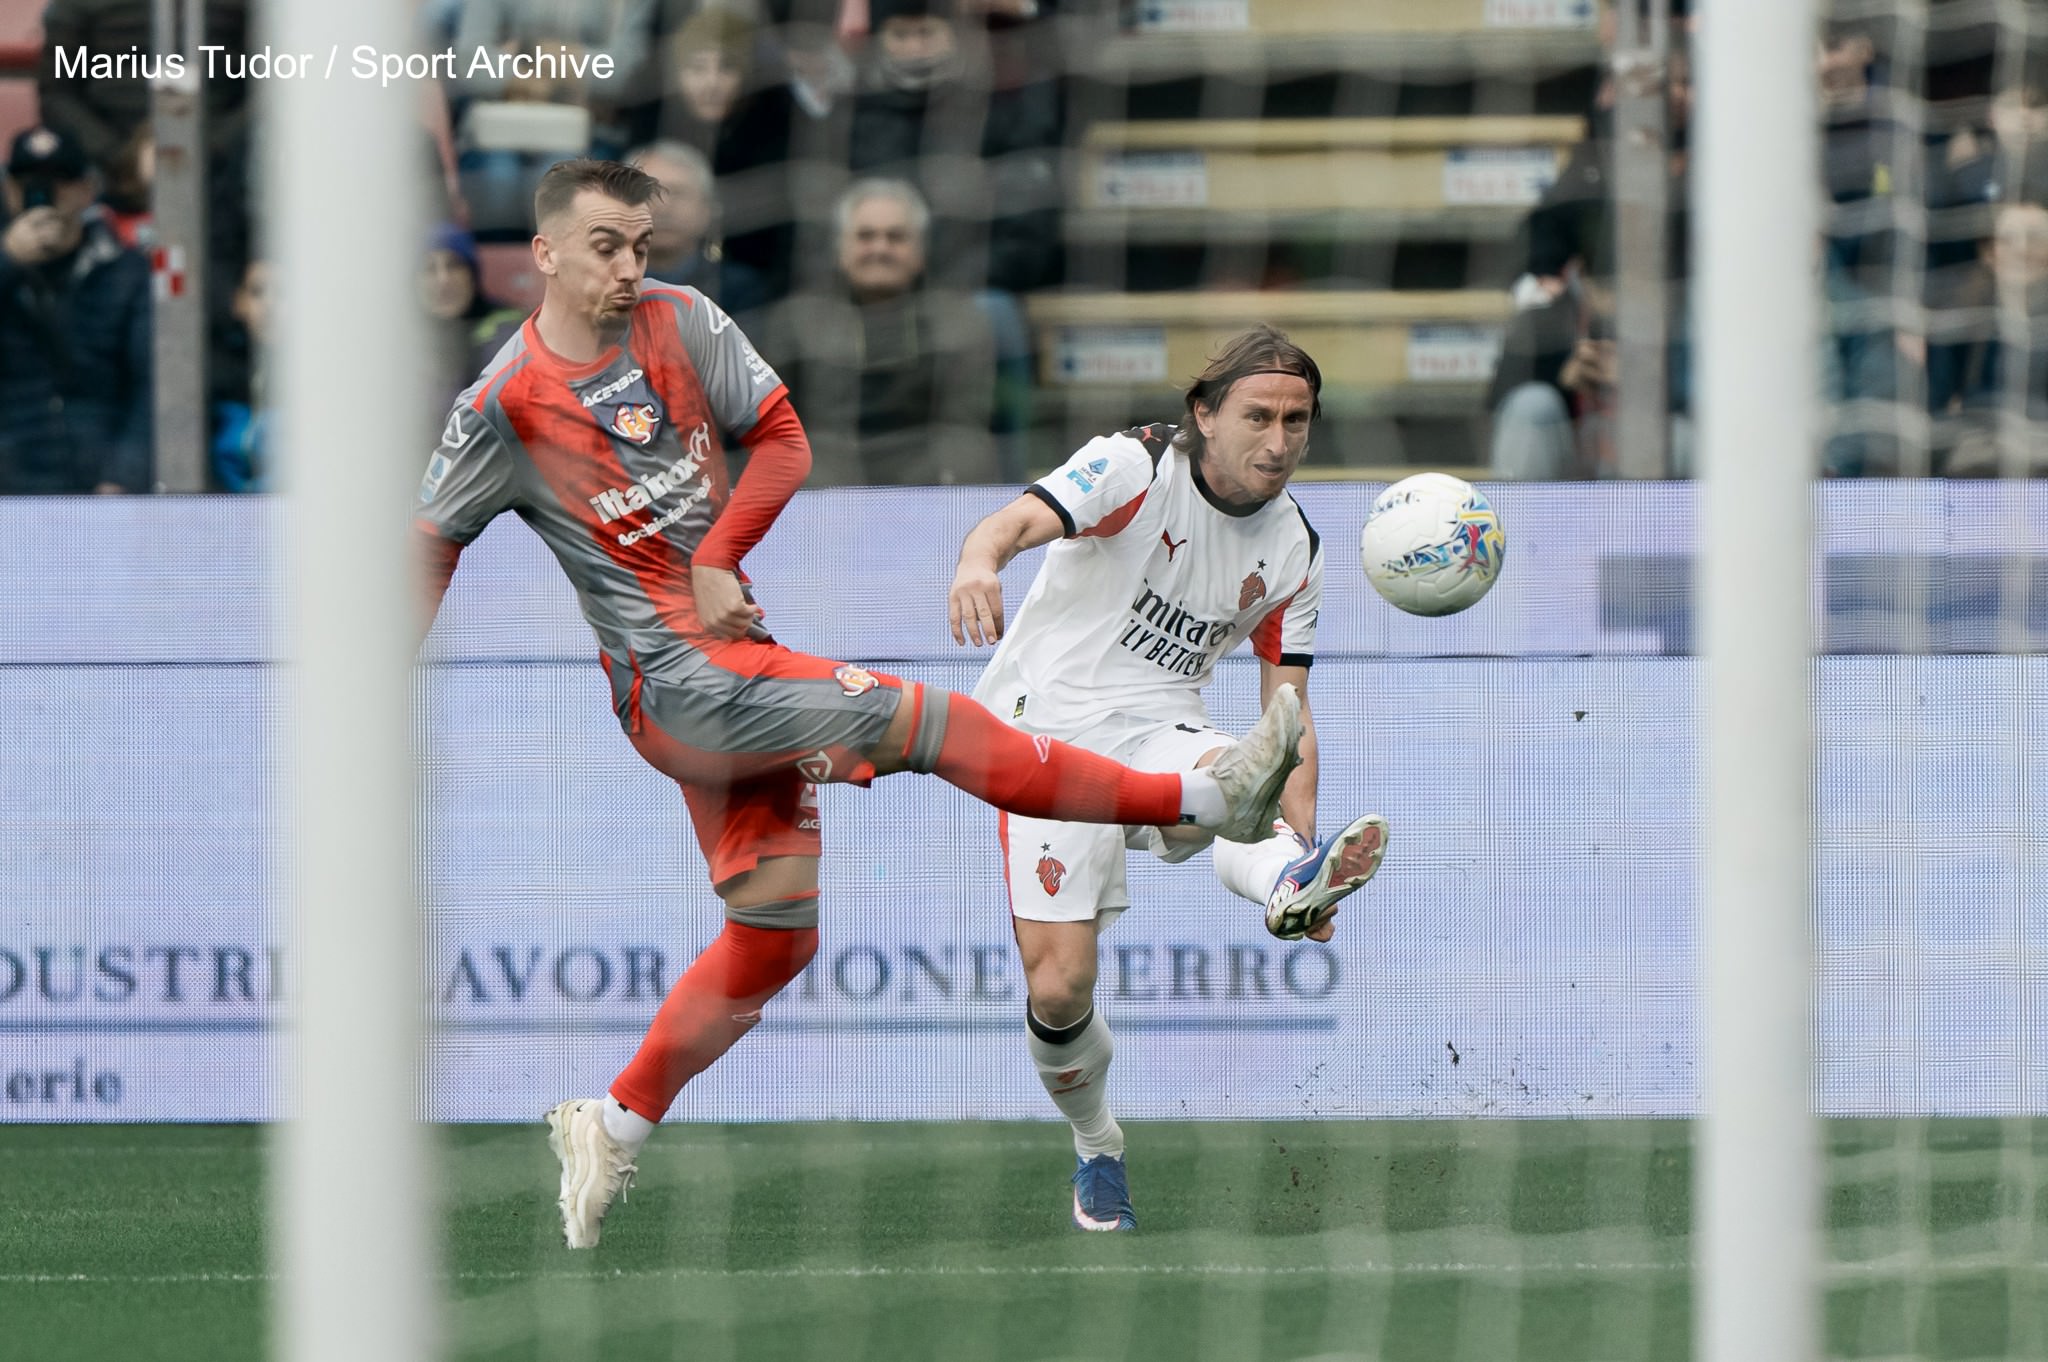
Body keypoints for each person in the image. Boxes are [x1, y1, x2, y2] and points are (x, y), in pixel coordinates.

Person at [412, 159, 1308, 1249]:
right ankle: (1203, 805)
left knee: (774, 932)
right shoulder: (499, 404)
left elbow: (783, 441)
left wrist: (718, 556)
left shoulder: (681, 320)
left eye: (643, 244)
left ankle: (612, 1123)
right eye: (606, 245)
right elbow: (427, 549)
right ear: (542, 252)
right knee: (928, 722)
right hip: (683, 689)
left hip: (737, 661)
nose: (630, 267)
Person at [946, 326, 1389, 1231]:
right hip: (1043, 733)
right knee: (1060, 989)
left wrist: (1302, 842)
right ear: (1205, 414)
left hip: (1160, 727)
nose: (1279, 439)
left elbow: (1289, 716)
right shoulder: (1134, 468)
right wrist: (977, 561)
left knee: (1237, 775)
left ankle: (1286, 880)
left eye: (1297, 420)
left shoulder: (1295, 550)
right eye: (1258, 415)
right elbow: (1018, 521)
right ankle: (1098, 1146)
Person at [757, 178, 998, 485]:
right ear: (840, 249)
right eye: (865, 236)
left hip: (924, 471)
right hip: (823, 473)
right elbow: (779, 424)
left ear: (921, 251)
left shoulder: (958, 322)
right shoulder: (795, 322)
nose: (880, 248)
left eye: (896, 237)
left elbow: (963, 423)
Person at [0, 125, 152, 495]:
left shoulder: (126, 271)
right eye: (29, 184)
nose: (45, 196)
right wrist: (7, 261)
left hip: (99, 477)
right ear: (9, 191)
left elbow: (151, 382)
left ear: (87, 190)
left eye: (60, 182)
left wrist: (124, 475)